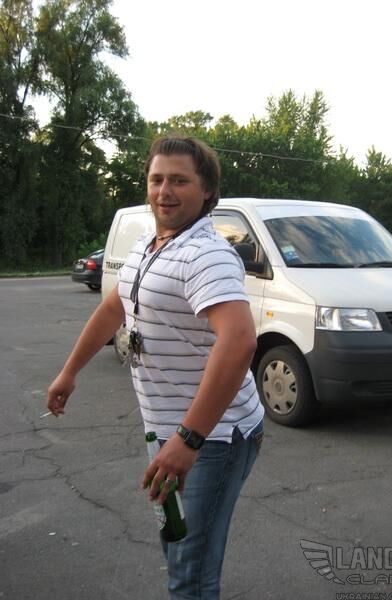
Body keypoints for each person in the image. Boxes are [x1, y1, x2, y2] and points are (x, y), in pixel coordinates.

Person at [47, 135, 264, 599]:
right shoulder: (151, 244)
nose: (165, 191)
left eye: (179, 181)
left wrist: (188, 440)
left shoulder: (207, 253)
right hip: (168, 431)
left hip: (213, 436)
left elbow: (240, 341)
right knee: (176, 540)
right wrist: (70, 371)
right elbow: (114, 308)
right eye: (157, 179)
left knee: (190, 572)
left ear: (207, 190)